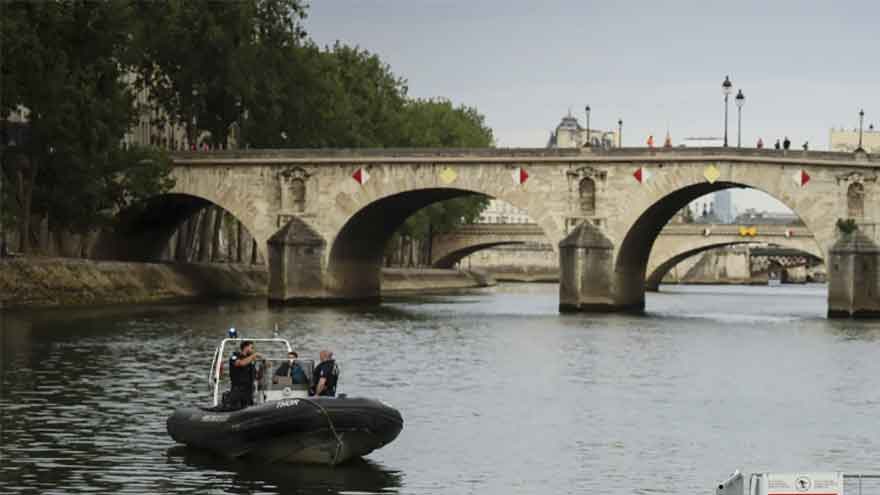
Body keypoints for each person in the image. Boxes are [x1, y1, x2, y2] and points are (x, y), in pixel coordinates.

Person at [227, 341, 261, 409]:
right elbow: (241, 363)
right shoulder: (235, 356)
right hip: (238, 389)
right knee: (236, 407)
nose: (253, 350)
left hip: (249, 389)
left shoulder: (251, 360)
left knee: (249, 406)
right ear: (245, 347)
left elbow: (256, 374)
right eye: (251, 348)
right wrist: (253, 356)